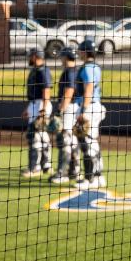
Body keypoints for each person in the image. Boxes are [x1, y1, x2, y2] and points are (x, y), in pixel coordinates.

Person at [73, 40, 107, 190]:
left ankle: (89, 179)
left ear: (85, 52)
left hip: (89, 107)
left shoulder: (87, 68)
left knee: (85, 142)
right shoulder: (95, 66)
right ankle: (99, 176)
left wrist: (83, 111)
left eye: (81, 51)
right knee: (93, 142)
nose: (79, 53)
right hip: (95, 106)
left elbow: (89, 88)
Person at [49, 47, 81, 184]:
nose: (60, 59)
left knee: (65, 140)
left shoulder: (69, 72)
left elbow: (68, 92)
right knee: (73, 140)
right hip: (75, 107)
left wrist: (60, 110)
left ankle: (62, 173)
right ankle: (75, 171)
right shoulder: (75, 71)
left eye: (62, 56)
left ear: (67, 57)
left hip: (69, 108)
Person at [22, 48, 53, 178]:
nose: (29, 58)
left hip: (40, 104)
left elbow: (46, 89)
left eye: (30, 56)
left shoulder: (43, 70)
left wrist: (43, 109)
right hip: (35, 104)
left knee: (33, 135)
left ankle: (34, 168)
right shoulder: (37, 70)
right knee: (42, 136)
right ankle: (46, 165)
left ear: (35, 56)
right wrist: (28, 108)